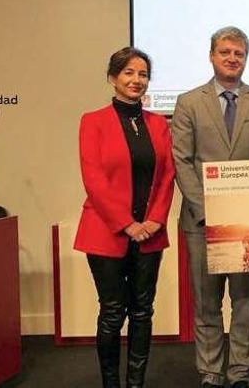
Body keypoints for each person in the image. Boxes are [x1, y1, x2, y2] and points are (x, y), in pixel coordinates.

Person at [172, 26, 249, 388]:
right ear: (211, 56)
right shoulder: (189, 102)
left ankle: (239, 373)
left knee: (245, 301)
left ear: (246, 59)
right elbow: (182, 161)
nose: (232, 58)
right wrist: (206, 211)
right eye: (225, 52)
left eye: (239, 53)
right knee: (206, 303)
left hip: (246, 224)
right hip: (201, 221)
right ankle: (209, 372)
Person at [75, 47, 175, 388]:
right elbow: (94, 180)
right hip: (107, 232)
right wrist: (127, 224)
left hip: (150, 233)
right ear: (113, 78)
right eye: (129, 73)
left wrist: (156, 220)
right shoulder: (93, 121)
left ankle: (135, 384)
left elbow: (167, 176)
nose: (137, 80)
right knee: (113, 312)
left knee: (143, 312)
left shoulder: (160, 124)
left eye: (143, 74)